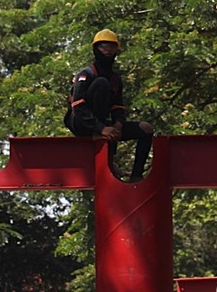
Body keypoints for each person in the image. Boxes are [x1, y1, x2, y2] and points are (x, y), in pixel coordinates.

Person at [64, 29, 153, 183]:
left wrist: (118, 125)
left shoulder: (115, 79)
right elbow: (78, 105)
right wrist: (101, 128)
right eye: (103, 46)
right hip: (81, 124)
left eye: (111, 47)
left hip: (104, 125)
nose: (107, 51)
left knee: (146, 129)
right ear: (96, 49)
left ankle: (136, 175)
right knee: (101, 83)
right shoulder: (86, 74)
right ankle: (106, 152)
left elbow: (118, 106)